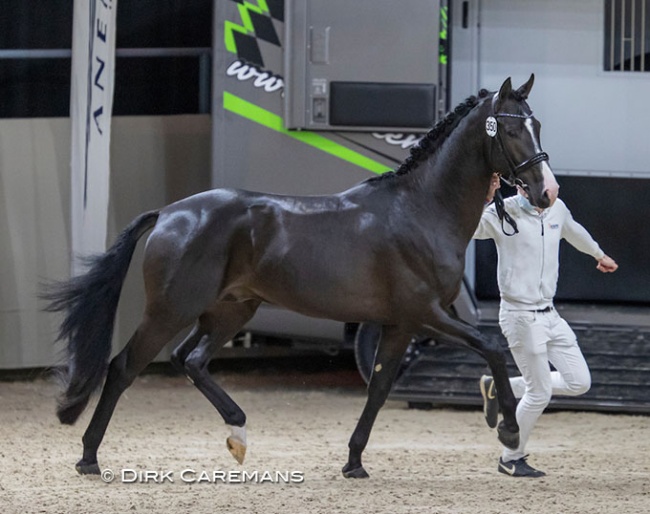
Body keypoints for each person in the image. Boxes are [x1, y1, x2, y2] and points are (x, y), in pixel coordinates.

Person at [474, 173, 618, 478]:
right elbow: (468, 229)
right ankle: (511, 457)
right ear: (521, 188)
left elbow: (573, 230)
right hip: (519, 315)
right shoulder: (502, 212)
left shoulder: (557, 208)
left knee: (579, 382)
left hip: (550, 314)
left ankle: (502, 388)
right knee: (539, 393)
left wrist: (598, 253)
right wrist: (486, 198)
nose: (547, 199)